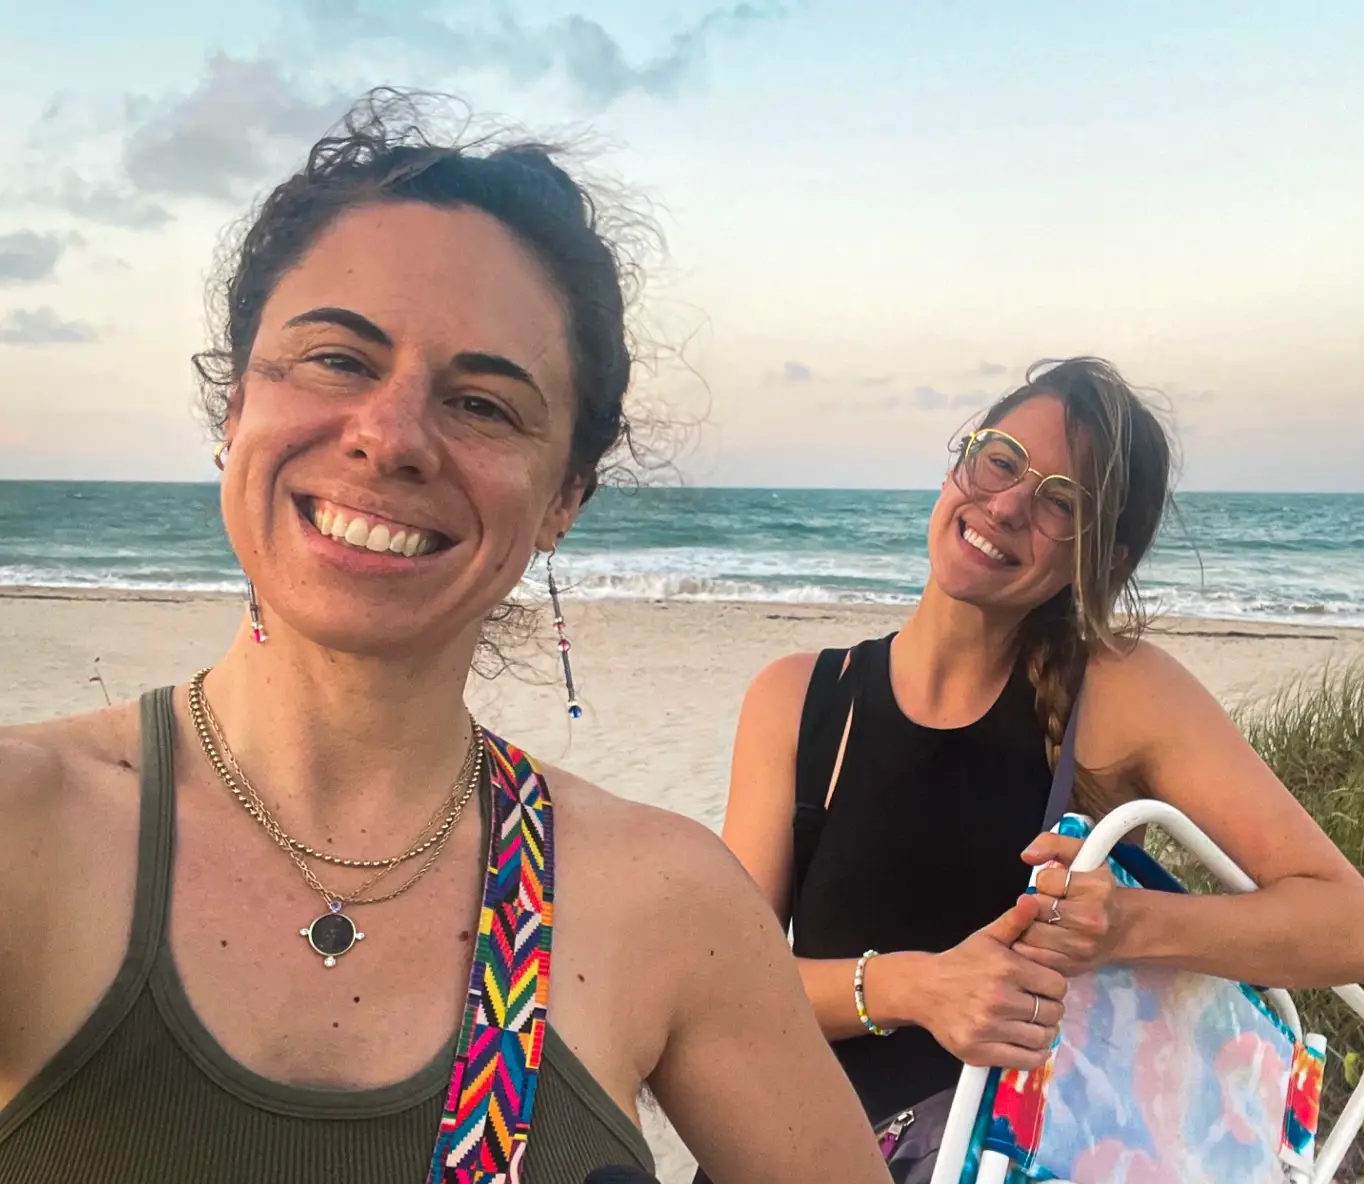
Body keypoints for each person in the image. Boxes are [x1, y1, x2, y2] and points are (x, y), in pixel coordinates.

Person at [0, 91, 889, 1184]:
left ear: (564, 494)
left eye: (482, 403)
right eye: (335, 357)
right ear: (235, 405)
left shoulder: (664, 900)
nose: (389, 435)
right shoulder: (25, 830)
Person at [720, 358, 1364, 1134]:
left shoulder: (1113, 693)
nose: (1006, 505)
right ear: (959, 462)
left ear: (1102, 557)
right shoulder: (800, 698)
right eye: (1000, 460)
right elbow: (727, 985)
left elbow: (1350, 929)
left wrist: (1128, 928)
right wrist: (916, 989)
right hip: (784, 1151)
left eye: (1061, 503)